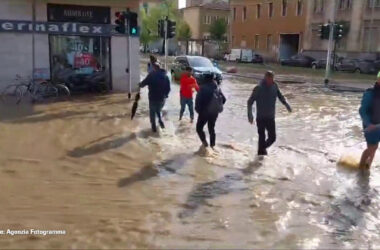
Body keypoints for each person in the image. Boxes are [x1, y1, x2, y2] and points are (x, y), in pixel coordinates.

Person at [247, 71, 292, 155]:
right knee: (262, 137)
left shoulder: (274, 86)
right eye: (269, 79)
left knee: (272, 138)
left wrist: (286, 105)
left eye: (272, 79)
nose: (270, 81)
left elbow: (280, 97)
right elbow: (250, 102)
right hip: (261, 117)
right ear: (265, 78)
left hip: (270, 117)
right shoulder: (258, 88)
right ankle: (260, 155)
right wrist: (250, 114)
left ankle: (261, 150)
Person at [195, 73, 226, 149]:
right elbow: (224, 99)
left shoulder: (202, 88)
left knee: (199, 128)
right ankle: (213, 146)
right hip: (214, 112)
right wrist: (216, 106)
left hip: (204, 112)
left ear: (205, 79)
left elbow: (198, 101)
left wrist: (198, 110)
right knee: (211, 128)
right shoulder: (218, 88)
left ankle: (205, 144)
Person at [140, 62, 171, 133]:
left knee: (152, 111)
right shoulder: (165, 76)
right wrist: (165, 95)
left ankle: (153, 125)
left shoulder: (151, 75)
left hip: (152, 97)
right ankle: (160, 120)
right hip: (161, 98)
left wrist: (139, 85)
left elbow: (143, 84)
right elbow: (168, 88)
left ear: (154, 68)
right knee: (158, 110)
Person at [359, 71, 380, 169]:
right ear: (378, 80)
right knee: (372, 149)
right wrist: (368, 124)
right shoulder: (370, 94)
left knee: (374, 149)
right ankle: (362, 169)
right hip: (371, 126)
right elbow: (363, 110)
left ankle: (366, 170)